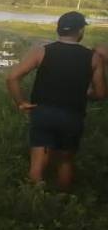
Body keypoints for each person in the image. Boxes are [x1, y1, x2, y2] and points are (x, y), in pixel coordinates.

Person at [6, 11, 105, 190]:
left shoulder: (42, 51)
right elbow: (100, 93)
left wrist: (21, 102)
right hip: (72, 115)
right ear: (80, 31)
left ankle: (34, 204)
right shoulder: (93, 57)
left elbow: (12, 77)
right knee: (65, 162)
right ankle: (61, 205)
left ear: (58, 29)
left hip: (43, 113)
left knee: (37, 162)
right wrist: (86, 93)